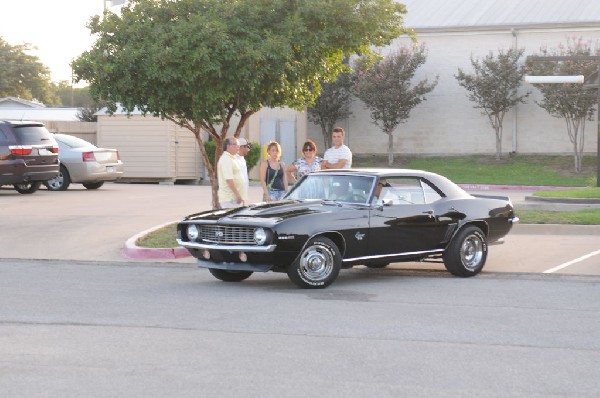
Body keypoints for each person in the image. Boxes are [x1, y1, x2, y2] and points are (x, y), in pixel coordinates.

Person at [217, 137, 248, 208]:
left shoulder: (231, 158)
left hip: (233, 200)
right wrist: (237, 194)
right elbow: (229, 179)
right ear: (228, 146)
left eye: (239, 145)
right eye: (235, 144)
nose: (238, 147)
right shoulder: (226, 159)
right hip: (230, 200)